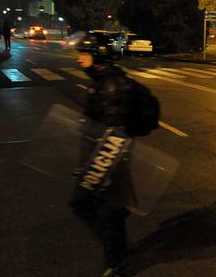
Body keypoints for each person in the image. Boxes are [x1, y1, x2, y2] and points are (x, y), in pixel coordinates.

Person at [68, 32, 143, 277]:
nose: (79, 59)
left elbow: (113, 134)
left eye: (84, 54)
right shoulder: (101, 80)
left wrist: (102, 170)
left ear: (97, 55)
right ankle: (118, 251)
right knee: (100, 209)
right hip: (103, 158)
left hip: (110, 161)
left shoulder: (110, 85)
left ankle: (118, 263)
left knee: (104, 210)